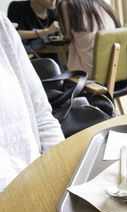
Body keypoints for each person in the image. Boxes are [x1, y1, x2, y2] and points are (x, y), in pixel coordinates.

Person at [0, 13, 64, 192]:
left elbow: (41, 113)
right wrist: (45, 31)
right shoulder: (19, 8)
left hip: (37, 180)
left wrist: (57, 171)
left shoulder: (3, 26)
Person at [57, 0, 120, 77]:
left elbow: (67, 36)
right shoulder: (102, 4)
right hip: (116, 71)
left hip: (90, 74)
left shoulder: (66, 4)